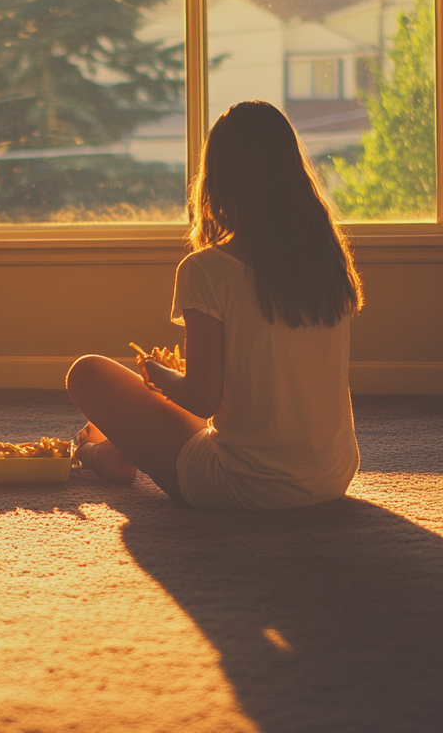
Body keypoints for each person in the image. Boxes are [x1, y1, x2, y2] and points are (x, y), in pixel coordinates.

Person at [66, 101, 364, 510]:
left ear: (218, 179)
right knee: (182, 415)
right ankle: (122, 448)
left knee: (87, 373)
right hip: (332, 477)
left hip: (245, 484)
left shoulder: (206, 268)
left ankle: (93, 454)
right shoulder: (325, 257)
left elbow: (203, 399)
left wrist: (156, 374)